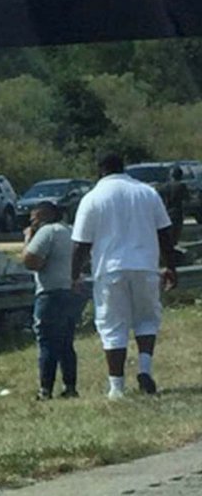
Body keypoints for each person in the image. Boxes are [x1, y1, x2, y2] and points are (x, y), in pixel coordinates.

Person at [72, 153, 177, 400]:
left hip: (110, 269)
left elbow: (80, 244)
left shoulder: (92, 198)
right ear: (124, 168)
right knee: (147, 319)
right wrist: (171, 266)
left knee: (112, 326)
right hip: (145, 267)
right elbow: (165, 233)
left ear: (100, 171)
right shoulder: (147, 193)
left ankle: (116, 387)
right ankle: (144, 369)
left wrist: (74, 274)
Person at [21, 201, 85, 400]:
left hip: (50, 293)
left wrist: (27, 240)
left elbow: (30, 261)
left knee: (47, 341)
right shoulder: (70, 231)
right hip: (72, 291)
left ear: (43, 216)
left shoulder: (46, 232)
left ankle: (45, 389)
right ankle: (70, 386)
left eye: (33, 219)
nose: (31, 224)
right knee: (66, 341)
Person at [158, 167, 188, 247]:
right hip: (177, 212)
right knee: (176, 233)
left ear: (171, 175)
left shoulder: (163, 187)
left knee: (168, 233)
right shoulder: (181, 186)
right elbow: (186, 199)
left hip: (166, 212)